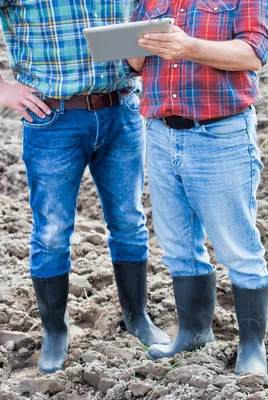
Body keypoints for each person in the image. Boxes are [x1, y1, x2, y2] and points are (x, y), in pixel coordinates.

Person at [0, 1, 170, 374]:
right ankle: (55, 331)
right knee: (52, 231)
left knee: (129, 220)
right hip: (52, 118)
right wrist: (3, 89)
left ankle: (136, 317)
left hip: (121, 109)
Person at [128, 0, 268, 375]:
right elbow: (136, 63)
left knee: (237, 247)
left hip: (220, 133)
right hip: (160, 133)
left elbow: (253, 51)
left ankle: (251, 347)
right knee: (178, 246)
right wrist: (131, 49)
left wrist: (189, 47)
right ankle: (193, 333)